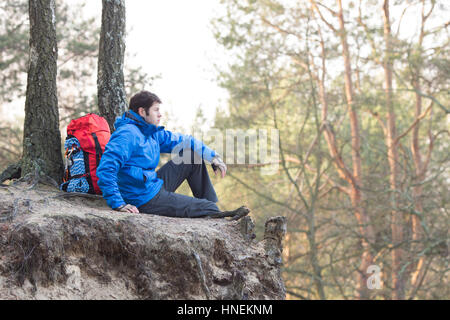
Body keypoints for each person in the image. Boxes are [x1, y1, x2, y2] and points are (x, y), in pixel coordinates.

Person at [96, 91, 249, 220]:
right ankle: (211, 211)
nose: (160, 114)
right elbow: (106, 169)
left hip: (151, 185)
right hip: (142, 198)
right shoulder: (127, 134)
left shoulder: (150, 132)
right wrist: (119, 204)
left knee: (191, 156)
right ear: (142, 112)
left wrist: (213, 157)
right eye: (156, 110)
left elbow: (185, 141)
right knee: (208, 207)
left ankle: (213, 211)